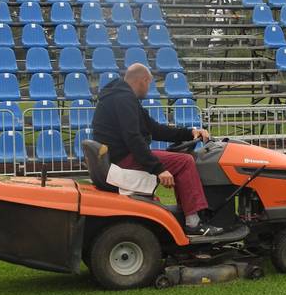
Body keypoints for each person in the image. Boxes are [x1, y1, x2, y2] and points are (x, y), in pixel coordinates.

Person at [91, 63, 223, 236]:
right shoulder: (124, 99)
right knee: (185, 161)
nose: (149, 89)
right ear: (143, 80)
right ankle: (193, 222)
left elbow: (155, 129)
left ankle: (185, 214)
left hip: (117, 156)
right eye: (149, 84)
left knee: (179, 158)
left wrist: (190, 133)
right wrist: (158, 169)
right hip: (122, 158)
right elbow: (133, 138)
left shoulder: (122, 97)